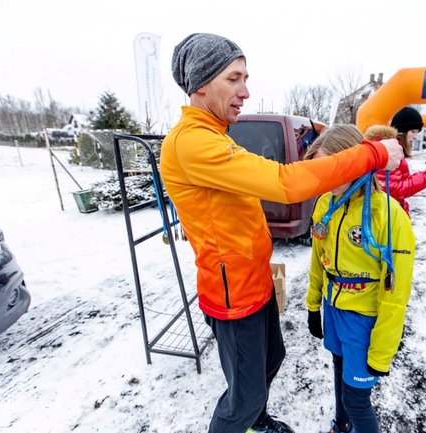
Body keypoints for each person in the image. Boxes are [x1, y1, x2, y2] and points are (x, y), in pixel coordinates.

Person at [160, 33, 402, 433]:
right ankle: (247, 419)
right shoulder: (191, 143)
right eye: (234, 78)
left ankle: (257, 422)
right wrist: (372, 153)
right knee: (243, 399)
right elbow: (285, 183)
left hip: (254, 282)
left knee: (272, 359)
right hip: (232, 295)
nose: (245, 91)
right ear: (200, 84)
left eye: (245, 78)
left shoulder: (215, 135)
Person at [303, 124, 415, 433]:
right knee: (339, 371)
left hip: (364, 320)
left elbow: (397, 292)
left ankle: (351, 420)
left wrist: (381, 351)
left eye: (332, 169)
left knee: (357, 400)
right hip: (333, 308)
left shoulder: (389, 215)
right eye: (320, 170)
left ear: (356, 163)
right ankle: (341, 426)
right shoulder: (325, 203)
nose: (325, 178)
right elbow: (318, 259)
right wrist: (313, 305)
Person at [369, 106, 426, 216]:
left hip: (388, 210)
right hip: (384, 214)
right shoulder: (388, 151)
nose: (415, 136)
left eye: (417, 132)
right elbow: (393, 190)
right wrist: (425, 176)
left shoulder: (393, 148)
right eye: (413, 131)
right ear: (402, 131)